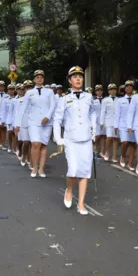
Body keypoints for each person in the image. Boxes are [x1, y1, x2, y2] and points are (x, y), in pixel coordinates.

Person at [53, 66, 96, 215]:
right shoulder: (64, 99)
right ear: (70, 80)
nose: (78, 79)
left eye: (80, 76)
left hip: (86, 139)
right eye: (75, 77)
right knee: (73, 170)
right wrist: (59, 139)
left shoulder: (89, 97)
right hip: (70, 139)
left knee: (85, 172)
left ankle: (81, 204)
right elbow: (57, 120)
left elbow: (93, 115)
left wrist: (94, 131)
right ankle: (69, 190)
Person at [14, 70, 56, 178]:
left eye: (41, 77)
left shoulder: (49, 92)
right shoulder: (29, 93)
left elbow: (52, 106)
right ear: (34, 79)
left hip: (47, 122)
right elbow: (22, 109)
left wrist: (48, 117)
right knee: (35, 143)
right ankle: (34, 167)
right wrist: (17, 124)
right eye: (37, 77)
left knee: (43, 144)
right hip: (33, 121)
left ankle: (41, 168)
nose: (39, 79)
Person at [115, 80, 136, 170]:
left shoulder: (137, 100)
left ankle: (130, 163)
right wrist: (116, 126)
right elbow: (117, 114)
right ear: (125, 89)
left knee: (132, 144)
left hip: (134, 124)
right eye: (127, 86)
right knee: (125, 142)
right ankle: (123, 156)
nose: (128, 88)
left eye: (130, 86)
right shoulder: (120, 100)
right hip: (123, 124)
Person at [100, 83, 118, 162]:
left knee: (115, 139)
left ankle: (114, 156)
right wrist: (101, 122)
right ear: (108, 91)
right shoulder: (105, 100)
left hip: (117, 122)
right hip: (108, 121)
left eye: (114, 89)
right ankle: (107, 152)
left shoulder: (119, 100)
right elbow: (102, 112)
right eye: (111, 89)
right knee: (109, 137)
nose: (112, 91)